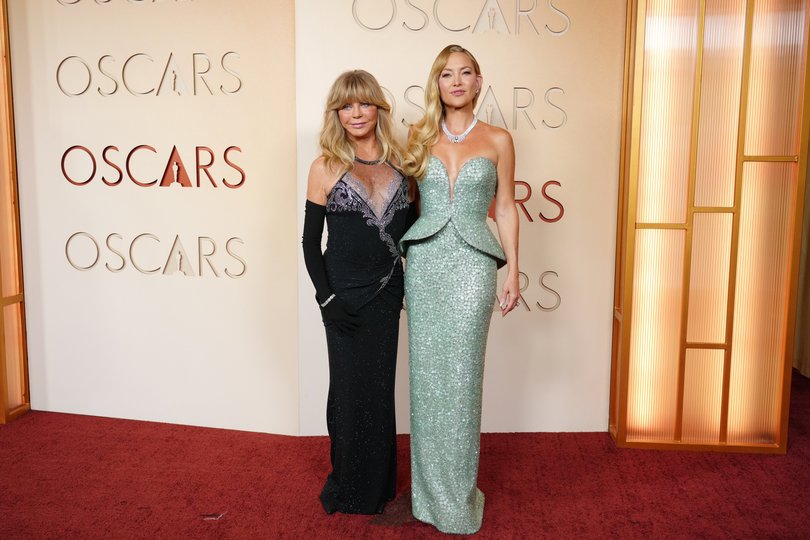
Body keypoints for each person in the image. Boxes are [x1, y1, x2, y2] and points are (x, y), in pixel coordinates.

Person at [400, 45, 520, 534]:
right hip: (425, 263)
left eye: (464, 73)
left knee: (463, 381)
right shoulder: (416, 138)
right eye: (446, 74)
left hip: (474, 264)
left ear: (478, 81)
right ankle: (428, 496)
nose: (455, 81)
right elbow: (401, 207)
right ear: (438, 83)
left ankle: (459, 495)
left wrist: (513, 270)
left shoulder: (498, 139)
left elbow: (507, 207)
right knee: (426, 381)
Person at [302, 70, 416, 515]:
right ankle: (350, 486)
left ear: (378, 109)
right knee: (348, 394)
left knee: (379, 390)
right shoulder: (325, 166)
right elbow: (311, 243)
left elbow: (416, 231)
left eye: (363, 104)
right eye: (345, 106)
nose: (355, 113)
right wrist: (326, 299)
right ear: (336, 113)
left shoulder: (403, 165)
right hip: (343, 297)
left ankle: (379, 486)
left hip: (388, 293)